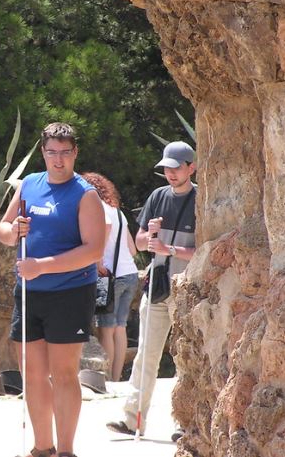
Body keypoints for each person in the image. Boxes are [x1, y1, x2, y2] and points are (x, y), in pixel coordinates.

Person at [0, 122, 106, 457]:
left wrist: (41, 266)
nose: (58, 160)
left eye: (65, 152)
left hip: (70, 293)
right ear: (43, 152)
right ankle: (42, 447)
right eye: (51, 152)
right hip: (29, 293)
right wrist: (13, 230)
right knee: (31, 374)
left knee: (63, 374)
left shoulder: (85, 195)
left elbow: (93, 251)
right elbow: (2, 229)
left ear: (74, 153)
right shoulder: (29, 184)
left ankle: (66, 451)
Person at [106, 141, 196, 442]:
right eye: (167, 168)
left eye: (176, 167)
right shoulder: (157, 197)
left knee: (188, 358)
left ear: (191, 168)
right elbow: (140, 243)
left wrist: (169, 248)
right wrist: (151, 234)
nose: (170, 173)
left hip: (188, 292)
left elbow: (205, 251)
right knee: (146, 353)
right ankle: (133, 420)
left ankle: (187, 423)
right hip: (157, 288)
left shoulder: (201, 199)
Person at [81, 172, 138, 382]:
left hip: (110, 277)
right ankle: (116, 378)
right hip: (129, 273)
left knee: (106, 330)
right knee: (119, 328)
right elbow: (132, 250)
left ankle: (106, 380)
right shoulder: (118, 212)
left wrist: (98, 260)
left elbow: (105, 225)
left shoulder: (100, 208)